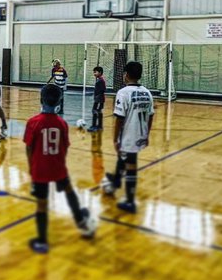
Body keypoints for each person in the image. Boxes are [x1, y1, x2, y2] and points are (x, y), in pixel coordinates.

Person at [24, 84, 96, 253]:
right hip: (58, 168)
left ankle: (42, 242)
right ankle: (81, 222)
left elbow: (29, 148)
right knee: (70, 191)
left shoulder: (33, 122)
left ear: (40, 99)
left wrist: (31, 168)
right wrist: (59, 164)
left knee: (41, 205)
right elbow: (65, 147)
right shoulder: (62, 124)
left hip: (39, 170)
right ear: (60, 101)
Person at [101, 61, 154, 213]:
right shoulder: (147, 92)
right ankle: (115, 182)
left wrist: (115, 139)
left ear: (126, 75)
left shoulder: (123, 93)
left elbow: (119, 118)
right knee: (124, 159)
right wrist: (147, 134)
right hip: (140, 134)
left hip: (128, 136)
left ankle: (130, 201)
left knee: (130, 164)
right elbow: (151, 116)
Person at [91, 65, 107, 131]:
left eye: (95, 72)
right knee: (98, 111)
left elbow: (103, 89)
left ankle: (95, 126)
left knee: (95, 111)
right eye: (94, 72)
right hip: (99, 98)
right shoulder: (100, 79)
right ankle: (98, 126)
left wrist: (97, 97)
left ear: (100, 72)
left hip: (99, 99)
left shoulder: (101, 80)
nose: (94, 73)